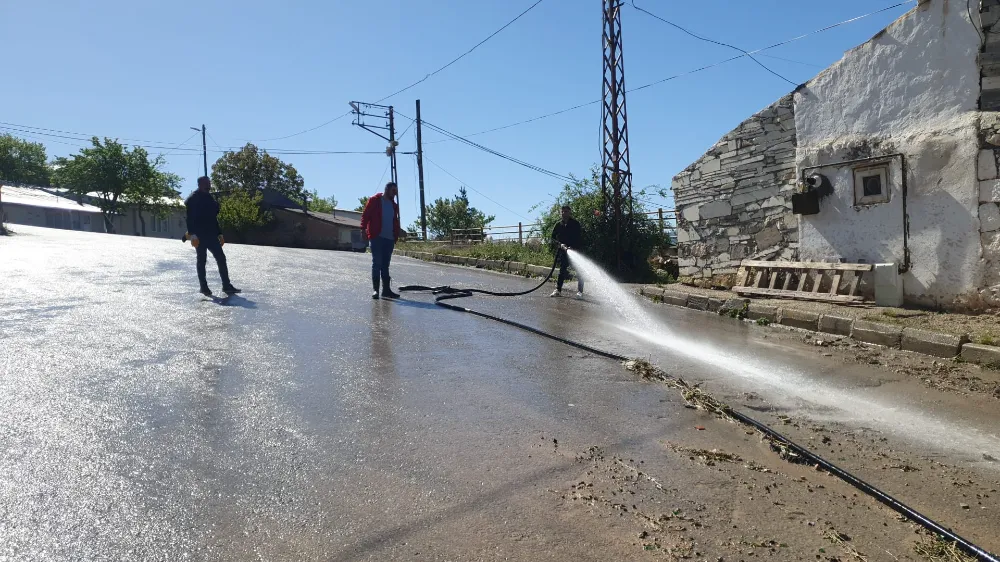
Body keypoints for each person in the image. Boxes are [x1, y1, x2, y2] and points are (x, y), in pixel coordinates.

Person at [184, 176, 240, 297]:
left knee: (221, 258)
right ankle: (204, 287)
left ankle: (226, 285)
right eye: (206, 183)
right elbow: (189, 219)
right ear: (199, 184)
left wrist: (219, 233)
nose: (208, 186)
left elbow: (213, 218)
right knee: (202, 260)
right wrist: (192, 234)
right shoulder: (193, 199)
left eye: (209, 183)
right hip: (199, 236)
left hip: (211, 235)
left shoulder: (209, 198)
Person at [361, 182, 402, 300]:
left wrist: (397, 233)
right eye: (393, 191)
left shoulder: (394, 206)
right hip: (377, 237)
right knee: (377, 263)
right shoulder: (375, 200)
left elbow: (395, 221)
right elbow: (365, 215)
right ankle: (375, 290)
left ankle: (386, 291)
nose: (395, 193)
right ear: (387, 190)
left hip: (389, 239)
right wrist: (363, 230)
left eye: (396, 191)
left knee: (386, 265)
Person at [549, 205, 584, 298]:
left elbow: (580, 238)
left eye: (566, 211)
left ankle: (580, 292)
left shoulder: (575, 224)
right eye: (563, 212)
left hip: (575, 251)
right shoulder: (558, 225)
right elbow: (552, 238)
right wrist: (560, 245)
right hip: (563, 251)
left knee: (579, 271)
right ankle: (558, 290)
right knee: (562, 271)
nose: (564, 213)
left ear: (570, 212)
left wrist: (573, 247)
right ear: (561, 213)